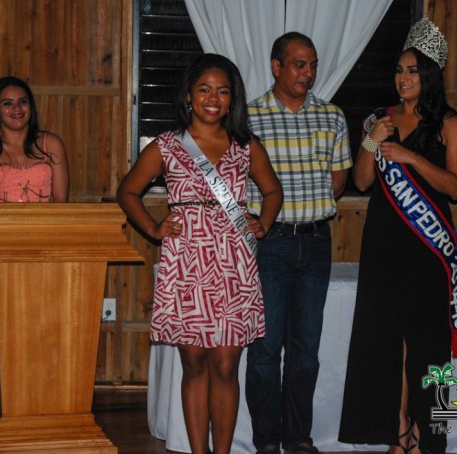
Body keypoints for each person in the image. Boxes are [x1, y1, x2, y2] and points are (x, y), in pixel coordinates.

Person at [117, 53, 282, 454]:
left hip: (232, 261)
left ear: (232, 99)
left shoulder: (245, 146)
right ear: (189, 96)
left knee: (226, 365)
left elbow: (273, 191)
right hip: (186, 260)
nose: (213, 98)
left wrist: (264, 221)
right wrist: (155, 228)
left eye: (223, 91)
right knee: (193, 364)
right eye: (205, 89)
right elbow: (128, 192)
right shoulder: (168, 146)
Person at [338, 17, 457, 454]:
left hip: (428, 248)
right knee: (385, 343)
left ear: (430, 74)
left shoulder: (450, 124)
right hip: (384, 242)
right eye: (399, 70)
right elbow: (361, 181)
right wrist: (372, 143)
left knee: (428, 346)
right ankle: (395, 428)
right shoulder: (380, 118)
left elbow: (455, 186)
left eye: (413, 70)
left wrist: (411, 158)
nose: (403, 78)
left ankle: (426, 433)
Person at [245, 32, 352, 454]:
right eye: (298, 64)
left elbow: (339, 180)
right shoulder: (248, 117)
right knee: (266, 349)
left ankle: (300, 437)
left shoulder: (332, 116)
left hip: (316, 241)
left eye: (312, 65)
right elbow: (234, 179)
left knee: (306, 351)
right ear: (276, 66)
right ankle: (267, 439)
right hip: (269, 244)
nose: (307, 73)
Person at [0, 76, 69, 295]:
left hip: (43, 240)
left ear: (31, 106)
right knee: (4, 317)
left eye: (23, 101)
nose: (17, 109)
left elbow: (61, 202)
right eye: (8, 103)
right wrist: (2, 228)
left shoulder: (52, 144)